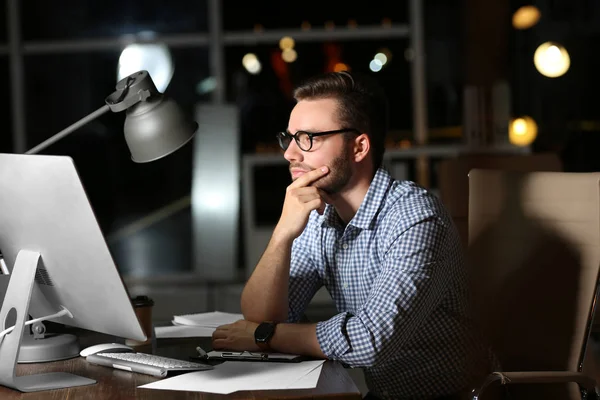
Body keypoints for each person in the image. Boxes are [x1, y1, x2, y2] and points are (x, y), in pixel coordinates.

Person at [212, 71, 492, 399]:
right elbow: (264, 316)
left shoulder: (416, 217)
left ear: (358, 146)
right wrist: (282, 235)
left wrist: (264, 335)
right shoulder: (319, 217)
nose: (289, 153)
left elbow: (368, 341)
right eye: (289, 137)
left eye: (308, 138)